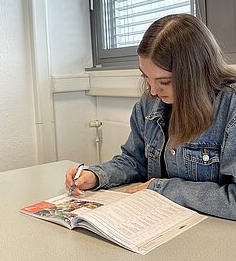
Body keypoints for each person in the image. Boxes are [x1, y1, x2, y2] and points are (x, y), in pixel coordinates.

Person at [65, 14, 236, 220]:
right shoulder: (149, 105)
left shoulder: (230, 107)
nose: (153, 91)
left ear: (195, 74)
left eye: (164, 81)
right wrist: (96, 175)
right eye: (147, 77)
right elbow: (133, 160)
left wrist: (165, 189)